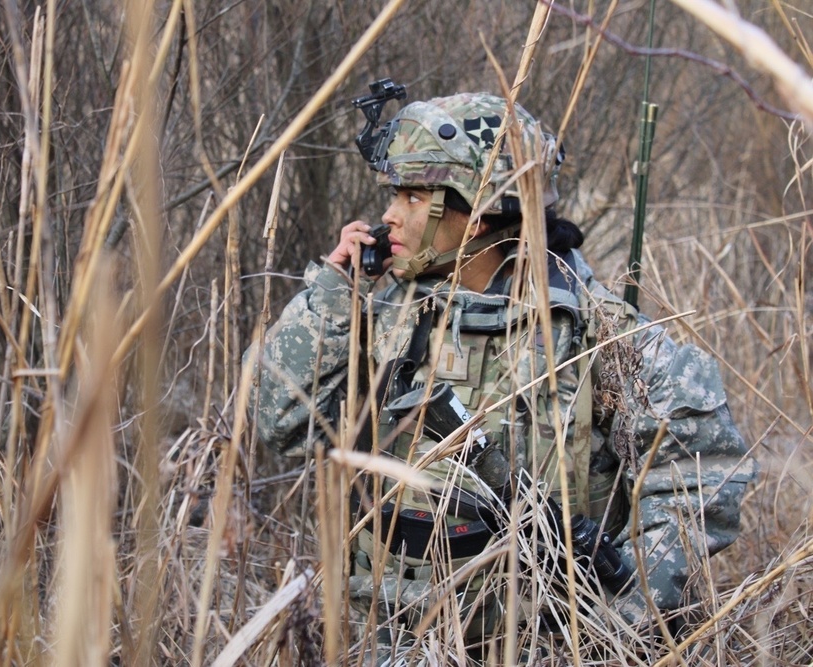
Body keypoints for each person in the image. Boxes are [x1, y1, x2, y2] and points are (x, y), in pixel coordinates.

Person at [248, 88, 755, 664]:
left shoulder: (597, 330)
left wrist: (625, 616)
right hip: (381, 636)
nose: (388, 214)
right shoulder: (377, 315)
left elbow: (704, 477)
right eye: (395, 194)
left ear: (479, 210)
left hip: (539, 642)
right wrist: (334, 295)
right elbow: (277, 422)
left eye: (413, 195)